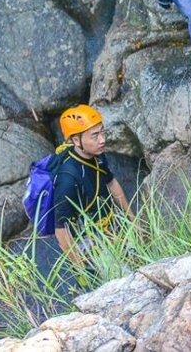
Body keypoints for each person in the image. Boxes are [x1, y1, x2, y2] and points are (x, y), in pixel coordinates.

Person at [53, 104, 131, 269]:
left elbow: (111, 182)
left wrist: (133, 220)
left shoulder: (97, 154)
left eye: (102, 132)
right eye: (94, 135)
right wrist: (81, 269)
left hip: (108, 225)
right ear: (76, 140)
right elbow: (61, 230)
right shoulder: (67, 179)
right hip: (88, 241)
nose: (102, 140)